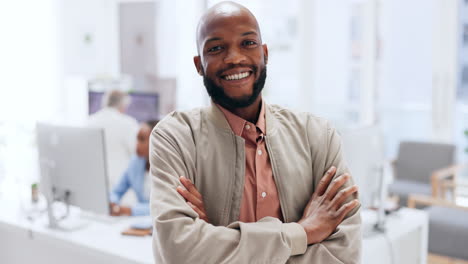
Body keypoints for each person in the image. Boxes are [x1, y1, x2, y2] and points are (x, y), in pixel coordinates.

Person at [149, 2, 361, 263]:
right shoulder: (175, 137)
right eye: (216, 48)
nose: (234, 58)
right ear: (199, 65)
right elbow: (178, 250)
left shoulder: (317, 135)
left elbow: (344, 254)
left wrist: (215, 240)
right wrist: (303, 233)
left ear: (265, 53)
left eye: (247, 43)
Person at [88, 90, 139, 189]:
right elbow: (137, 152)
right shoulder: (128, 123)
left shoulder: (89, 121)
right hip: (120, 183)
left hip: (94, 181)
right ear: (123, 106)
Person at [109, 120, 159, 216]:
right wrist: (113, 202)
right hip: (140, 222)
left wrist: (130, 210)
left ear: (157, 141)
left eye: (142, 139)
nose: (137, 144)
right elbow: (116, 191)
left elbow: (163, 208)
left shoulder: (168, 168)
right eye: (137, 139)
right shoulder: (136, 162)